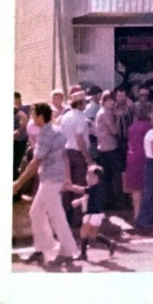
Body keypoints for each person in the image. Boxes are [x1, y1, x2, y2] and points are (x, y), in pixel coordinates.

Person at [12, 103, 80, 266]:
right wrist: (67, 177)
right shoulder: (56, 130)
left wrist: (18, 183)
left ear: (41, 116)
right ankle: (42, 248)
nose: (31, 117)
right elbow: (64, 156)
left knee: (57, 216)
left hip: (50, 179)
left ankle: (68, 251)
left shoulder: (45, 134)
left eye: (33, 114)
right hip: (52, 178)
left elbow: (36, 162)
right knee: (36, 212)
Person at [67, 164, 117, 260]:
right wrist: (78, 202)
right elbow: (86, 197)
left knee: (83, 232)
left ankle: (83, 254)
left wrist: (70, 187)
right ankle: (110, 244)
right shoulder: (94, 189)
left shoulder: (95, 188)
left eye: (92, 177)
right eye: (88, 175)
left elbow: (82, 190)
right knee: (92, 235)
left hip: (93, 214)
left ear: (99, 179)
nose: (89, 178)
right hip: (95, 215)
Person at [59, 88, 92, 228]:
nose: (86, 104)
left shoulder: (65, 116)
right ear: (80, 103)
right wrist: (88, 158)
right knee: (78, 186)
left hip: (65, 152)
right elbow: (79, 138)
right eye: (84, 101)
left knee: (67, 186)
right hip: (76, 153)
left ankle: (65, 218)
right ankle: (76, 219)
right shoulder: (80, 117)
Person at [124, 103, 153, 221]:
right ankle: (146, 214)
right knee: (147, 186)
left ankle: (136, 214)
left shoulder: (132, 127)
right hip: (146, 157)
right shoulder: (149, 127)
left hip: (132, 157)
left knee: (136, 188)